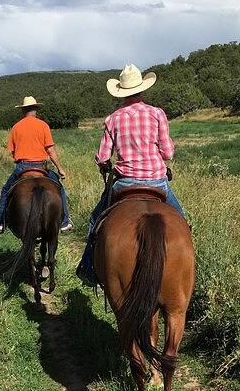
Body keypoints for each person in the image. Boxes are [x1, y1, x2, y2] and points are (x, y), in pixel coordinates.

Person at [76, 64, 185, 285]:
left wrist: (103, 163)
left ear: (121, 91)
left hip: (124, 184)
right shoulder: (157, 113)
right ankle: (187, 267)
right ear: (142, 88)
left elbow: (104, 156)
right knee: (182, 221)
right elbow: (168, 153)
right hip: (157, 182)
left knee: (95, 220)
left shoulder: (113, 119)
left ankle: (88, 270)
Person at [0, 96, 72, 233]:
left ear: (23, 110)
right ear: (36, 109)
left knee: (6, 191)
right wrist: (60, 169)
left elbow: (12, 153)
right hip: (41, 167)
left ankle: (1, 222)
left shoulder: (15, 127)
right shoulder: (43, 125)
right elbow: (50, 150)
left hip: (22, 167)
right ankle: (65, 222)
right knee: (59, 188)